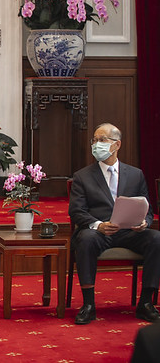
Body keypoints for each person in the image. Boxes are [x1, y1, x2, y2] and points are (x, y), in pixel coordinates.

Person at [69, 122, 160, 325]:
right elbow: (76, 211)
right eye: (94, 140)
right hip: (99, 232)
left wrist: (144, 222)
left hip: (129, 231)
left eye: (102, 140)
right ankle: (89, 305)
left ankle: (146, 303)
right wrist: (98, 225)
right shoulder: (82, 176)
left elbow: (147, 208)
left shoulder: (135, 174)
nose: (96, 144)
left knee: (157, 239)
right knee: (86, 239)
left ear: (117, 144)